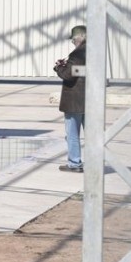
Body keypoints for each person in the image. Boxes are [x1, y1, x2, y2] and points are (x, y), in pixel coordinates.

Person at [54, 24, 86, 172]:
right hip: (89, 100)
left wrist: (59, 68)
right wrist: (68, 66)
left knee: (72, 134)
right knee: (91, 134)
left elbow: (69, 75)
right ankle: (94, 161)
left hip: (74, 100)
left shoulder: (77, 54)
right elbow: (81, 71)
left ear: (79, 38)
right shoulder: (93, 51)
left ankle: (74, 163)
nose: (73, 43)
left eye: (73, 40)